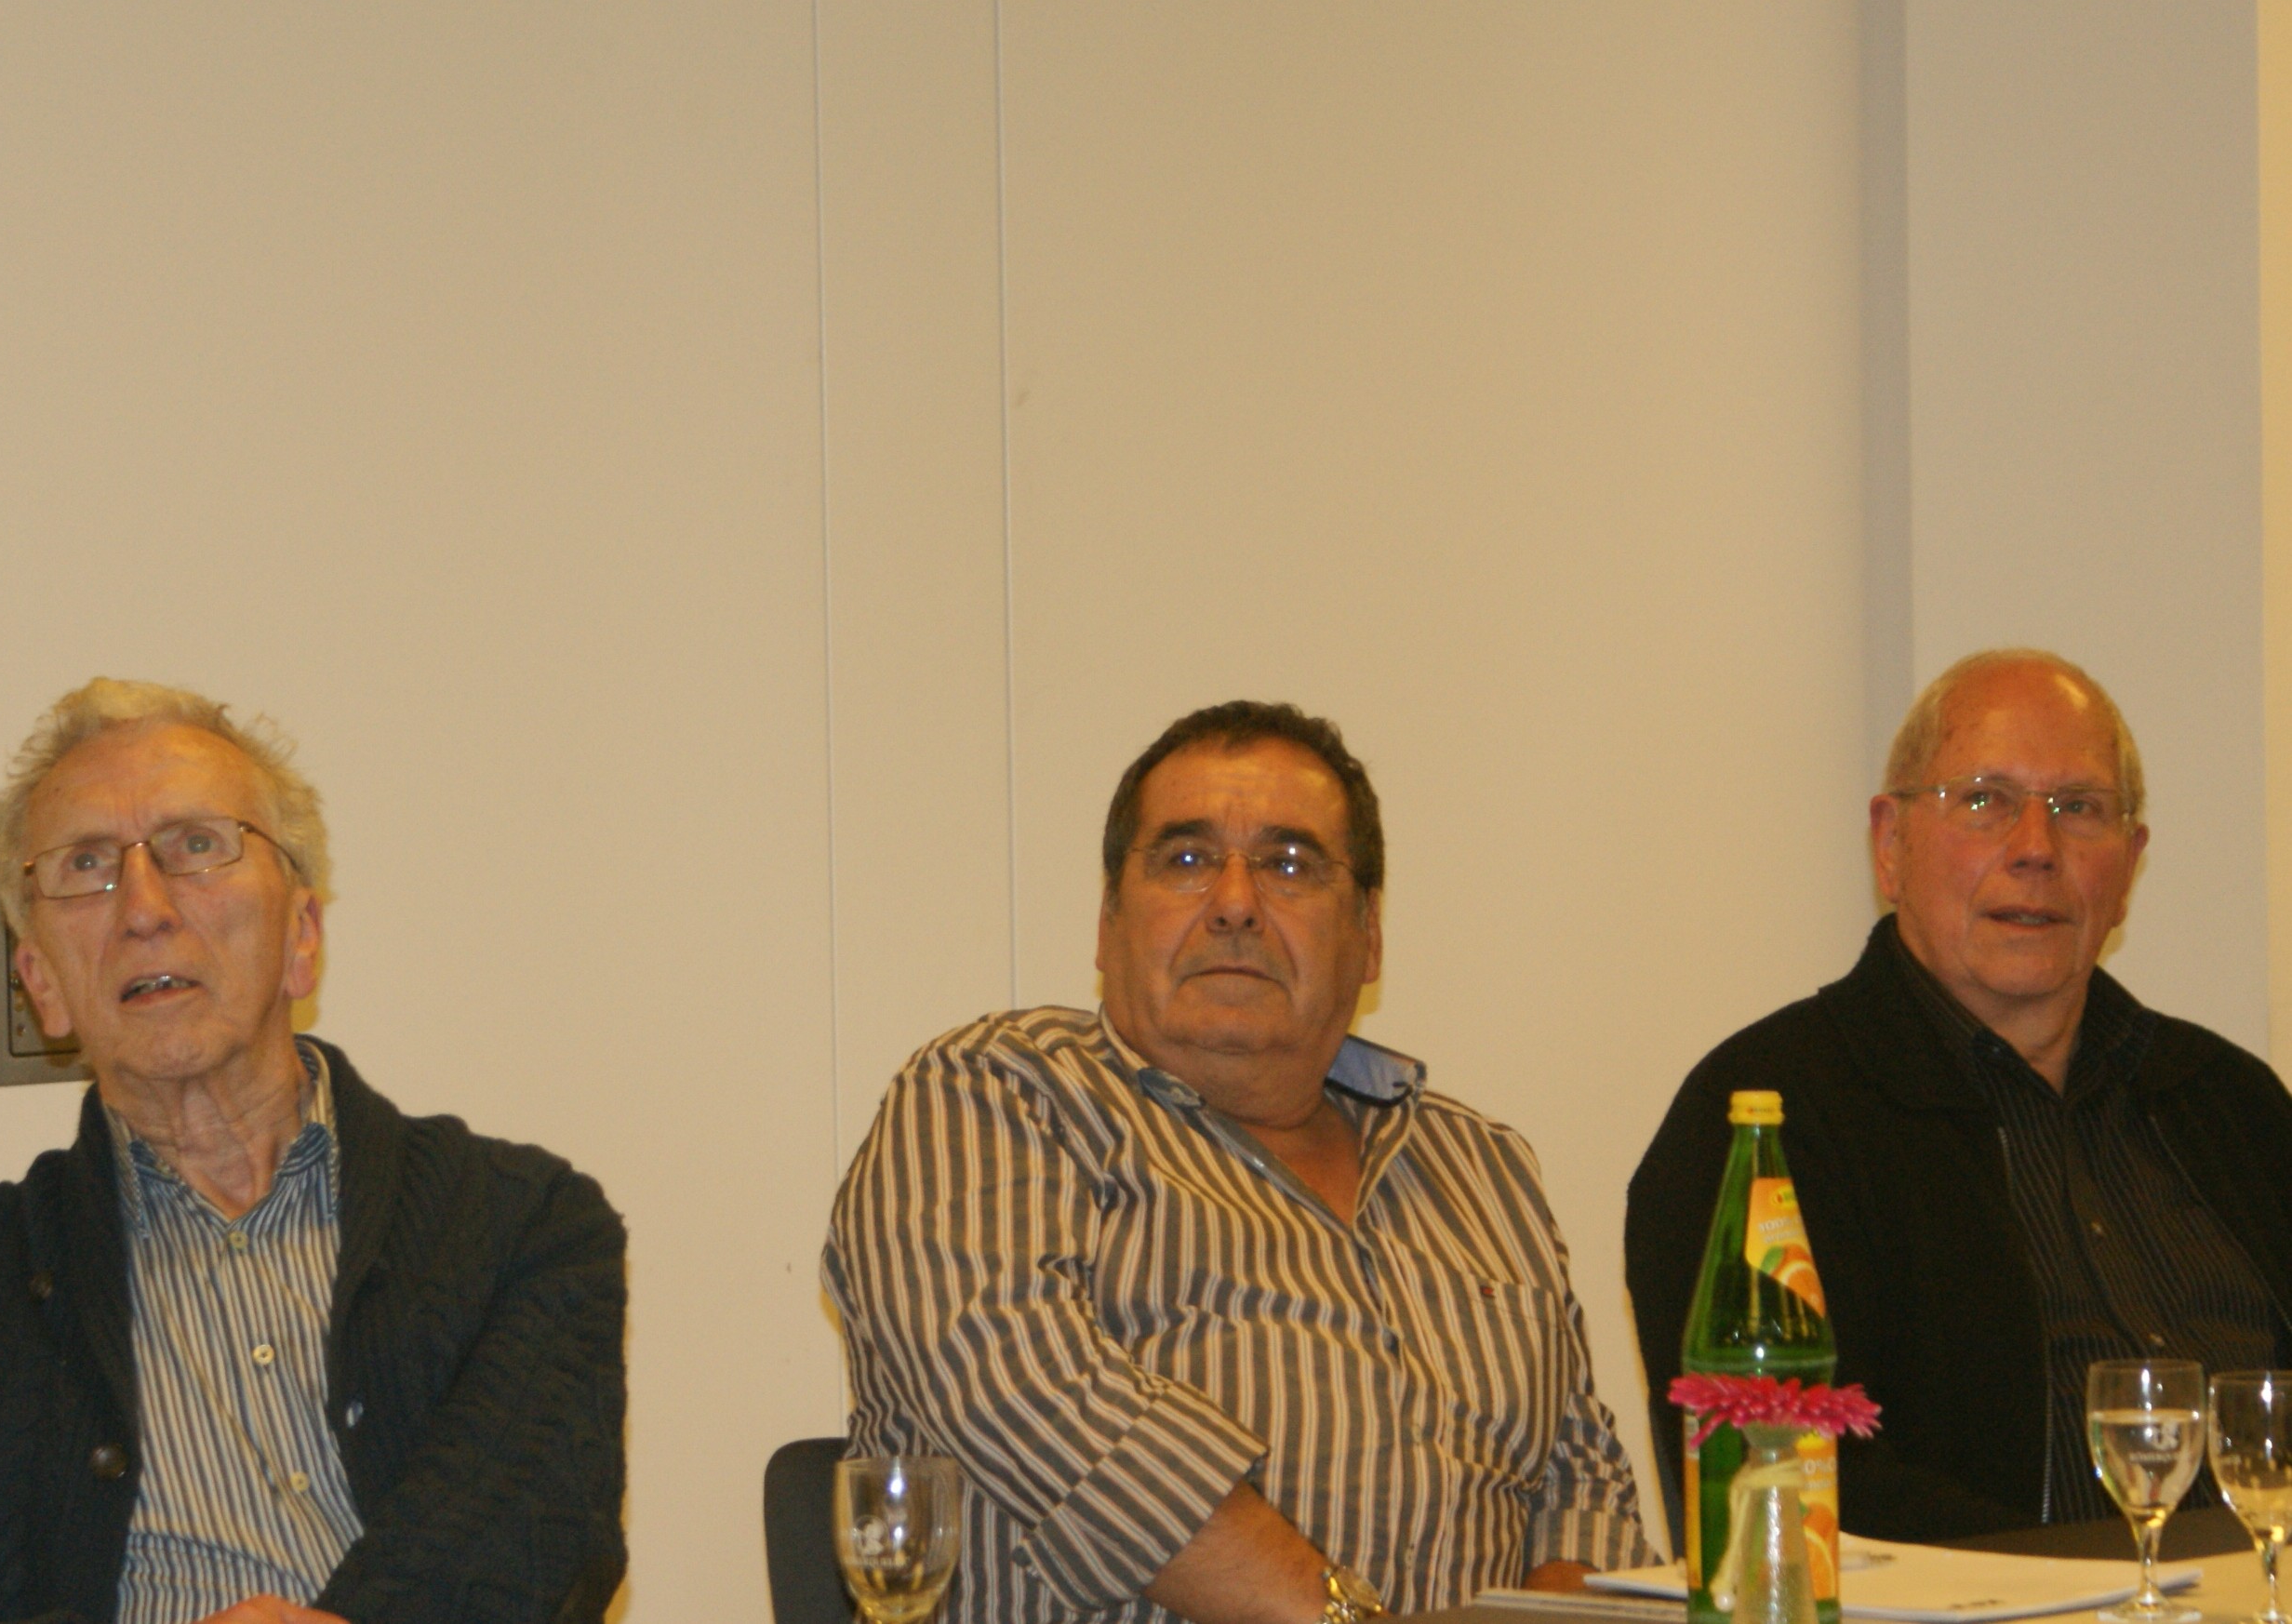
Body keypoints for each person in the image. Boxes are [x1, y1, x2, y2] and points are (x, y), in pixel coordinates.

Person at [825, 700, 1654, 1624]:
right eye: (1184, 859)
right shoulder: (993, 1095)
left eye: (1288, 864)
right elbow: (1041, 1409)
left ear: (1369, 934)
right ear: (1106, 922)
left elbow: (1585, 1493)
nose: (1232, 902)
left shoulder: (1482, 1169)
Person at [0, 679, 626, 1624]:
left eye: (197, 846)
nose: (144, 906)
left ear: (302, 935)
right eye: (86, 864)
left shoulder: (520, 1224)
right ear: (41, 982)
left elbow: (535, 1544)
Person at [1628, 649, 2292, 1542]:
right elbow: (1780, 1476)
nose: (2036, 848)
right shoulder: (1764, 1117)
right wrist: (2085, 1580)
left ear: (2130, 864)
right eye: (1984, 800)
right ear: (1890, 845)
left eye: (2079, 808)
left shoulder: (2232, 1105)